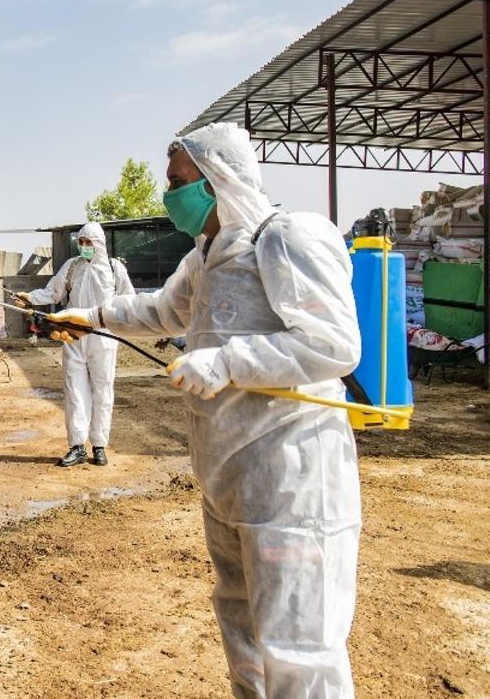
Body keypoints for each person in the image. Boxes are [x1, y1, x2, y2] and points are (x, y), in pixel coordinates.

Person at [51, 122, 362, 698]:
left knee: (299, 649)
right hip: (228, 476)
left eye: (178, 182)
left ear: (218, 179)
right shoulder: (208, 255)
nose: (169, 195)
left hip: (293, 480)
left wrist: (226, 362)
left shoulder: (287, 237)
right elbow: (162, 312)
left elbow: (335, 345)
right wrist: (91, 319)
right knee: (242, 631)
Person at [14, 221, 133, 467]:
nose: (84, 247)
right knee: (75, 390)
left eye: (89, 242)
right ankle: (77, 445)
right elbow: (53, 293)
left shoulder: (114, 268)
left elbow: (128, 300)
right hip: (73, 336)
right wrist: (31, 298)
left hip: (103, 337)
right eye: (81, 242)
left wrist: (121, 323)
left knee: (103, 390)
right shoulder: (71, 267)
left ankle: (99, 445)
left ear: (99, 244)